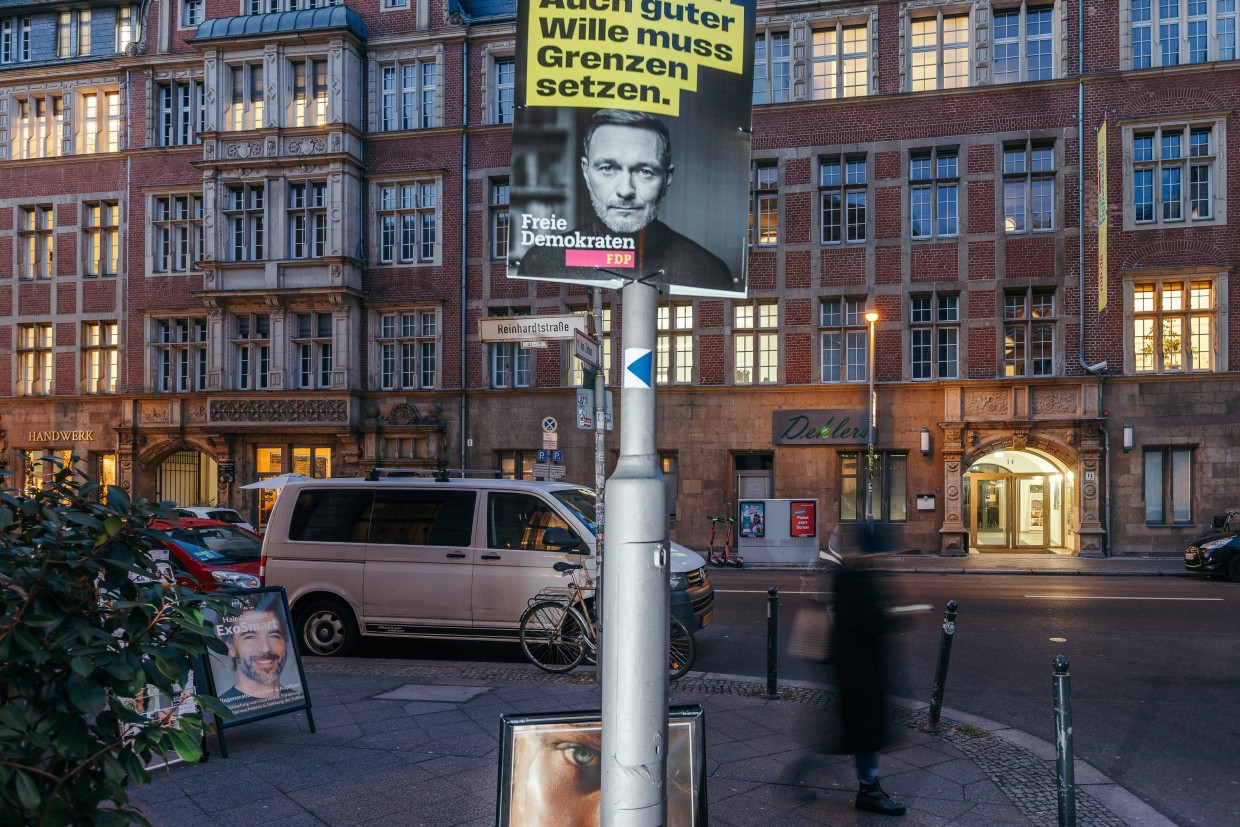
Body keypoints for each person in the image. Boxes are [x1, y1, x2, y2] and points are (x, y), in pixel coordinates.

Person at [514, 108, 733, 289]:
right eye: (608, 168)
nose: (625, 190)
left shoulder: (709, 272)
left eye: (644, 171)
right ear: (586, 173)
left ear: (667, 179)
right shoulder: (540, 263)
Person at [831, 532, 906, 816]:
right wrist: (894, 615)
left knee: (862, 731)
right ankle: (869, 789)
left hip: (855, 668)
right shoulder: (856, 578)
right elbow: (869, 622)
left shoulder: (847, 574)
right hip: (860, 671)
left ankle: (869, 784)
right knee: (865, 731)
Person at [214, 592, 303, 711]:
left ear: (285, 642)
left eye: (274, 635)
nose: (266, 648)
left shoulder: (296, 699)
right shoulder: (224, 710)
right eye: (250, 637)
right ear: (231, 648)